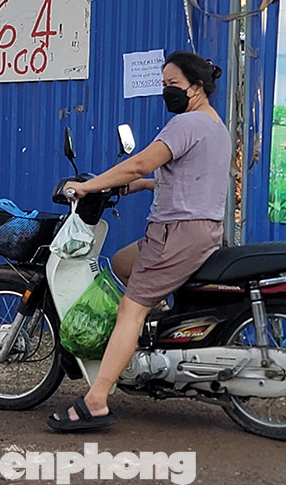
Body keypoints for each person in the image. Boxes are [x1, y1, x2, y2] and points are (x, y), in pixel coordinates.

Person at [46, 51, 230, 432]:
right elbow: (184, 176)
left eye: (173, 85)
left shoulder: (186, 124)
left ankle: (96, 400)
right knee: (121, 265)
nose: (167, 92)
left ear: (196, 88)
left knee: (132, 309)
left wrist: (86, 186)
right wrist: (140, 186)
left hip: (175, 234)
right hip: (200, 229)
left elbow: (139, 163)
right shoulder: (214, 125)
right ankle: (146, 342)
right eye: (163, 86)